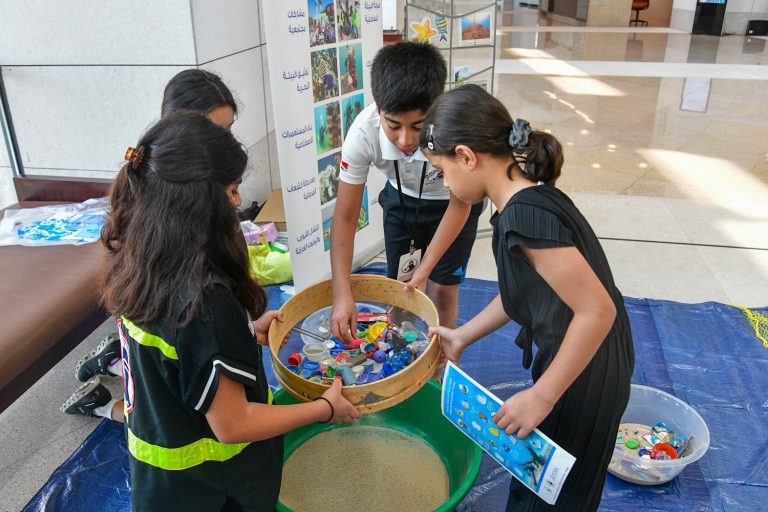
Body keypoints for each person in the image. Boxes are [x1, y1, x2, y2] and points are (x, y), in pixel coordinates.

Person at [102, 111, 361, 511]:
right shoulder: (207, 302)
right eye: (233, 190)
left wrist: (243, 330)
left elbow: (177, 352)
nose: (239, 202)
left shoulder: (142, 263)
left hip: (163, 485)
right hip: (216, 491)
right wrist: (323, 409)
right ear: (197, 203)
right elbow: (233, 424)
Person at [423, 85, 634, 511]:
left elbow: (598, 310)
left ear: (466, 156)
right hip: (580, 359)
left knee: (555, 495)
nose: (445, 183)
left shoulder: (525, 215)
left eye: (441, 170)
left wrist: (542, 397)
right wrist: (462, 335)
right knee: (540, 485)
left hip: (587, 371)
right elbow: (522, 290)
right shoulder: (523, 202)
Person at [60, 69, 238, 422]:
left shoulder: (187, 186)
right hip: (163, 332)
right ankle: (104, 398)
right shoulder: (163, 209)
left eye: (229, 131)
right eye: (214, 133)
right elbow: (231, 424)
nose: (226, 145)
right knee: (168, 410)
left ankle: (114, 363)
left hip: (163, 336)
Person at [330, 42, 483, 342]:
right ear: (379, 109)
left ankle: (441, 359)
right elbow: (345, 217)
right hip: (402, 201)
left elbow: (461, 205)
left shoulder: (454, 128)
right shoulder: (363, 133)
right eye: (394, 125)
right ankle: (403, 353)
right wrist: (341, 293)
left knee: (442, 290)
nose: (405, 139)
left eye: (417, 126)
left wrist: (425, 270)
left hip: (452, 204)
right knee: (400, 290)